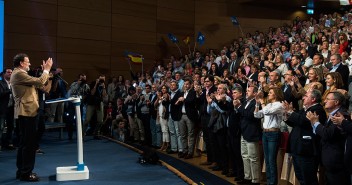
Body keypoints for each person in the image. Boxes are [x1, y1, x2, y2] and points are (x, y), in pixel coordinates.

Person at [11, 53, 53, 182]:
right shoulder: (19, 74)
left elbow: (43, 87)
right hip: (26, 113)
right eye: (27, 62)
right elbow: (40, 81)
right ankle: (26, 173)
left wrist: (47, 75)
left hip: (28, 113)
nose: (29, 64)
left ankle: (22, 171)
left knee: (24, 144)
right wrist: (46, 69)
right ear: (21, 63)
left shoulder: (23, 75)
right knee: (29, 145)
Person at [306, 91, 350, 185]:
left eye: (328, 99)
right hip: (329, 160)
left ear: (336, 102)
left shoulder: (341, 115)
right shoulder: (332, 114)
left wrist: (315, 123)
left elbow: (327, 134)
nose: (324, 101)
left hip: (336, 161)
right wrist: (315, 123)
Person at [284, 89, 327, 185]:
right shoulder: (304, 109)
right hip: (298, 148)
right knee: (301, 177)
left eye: (306, 96)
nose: (303, 97)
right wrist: (286, 115)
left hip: (307, 150)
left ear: (313, 99)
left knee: (309, 179)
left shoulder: (318, 109)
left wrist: (291, 112)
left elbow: (304, 122)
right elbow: (294, 122)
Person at [254, 87, 284, 185]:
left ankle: (272, 183)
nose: (269, 94)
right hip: (265, 133)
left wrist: (262, 102)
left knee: (271, 160)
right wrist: (257, 103)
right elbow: (257, 115)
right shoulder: (269, 104)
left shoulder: (279, 105)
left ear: (276, 94)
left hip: (273, 133)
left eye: (270, 93)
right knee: (267, 160)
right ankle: (269, 182)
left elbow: (266, 112)